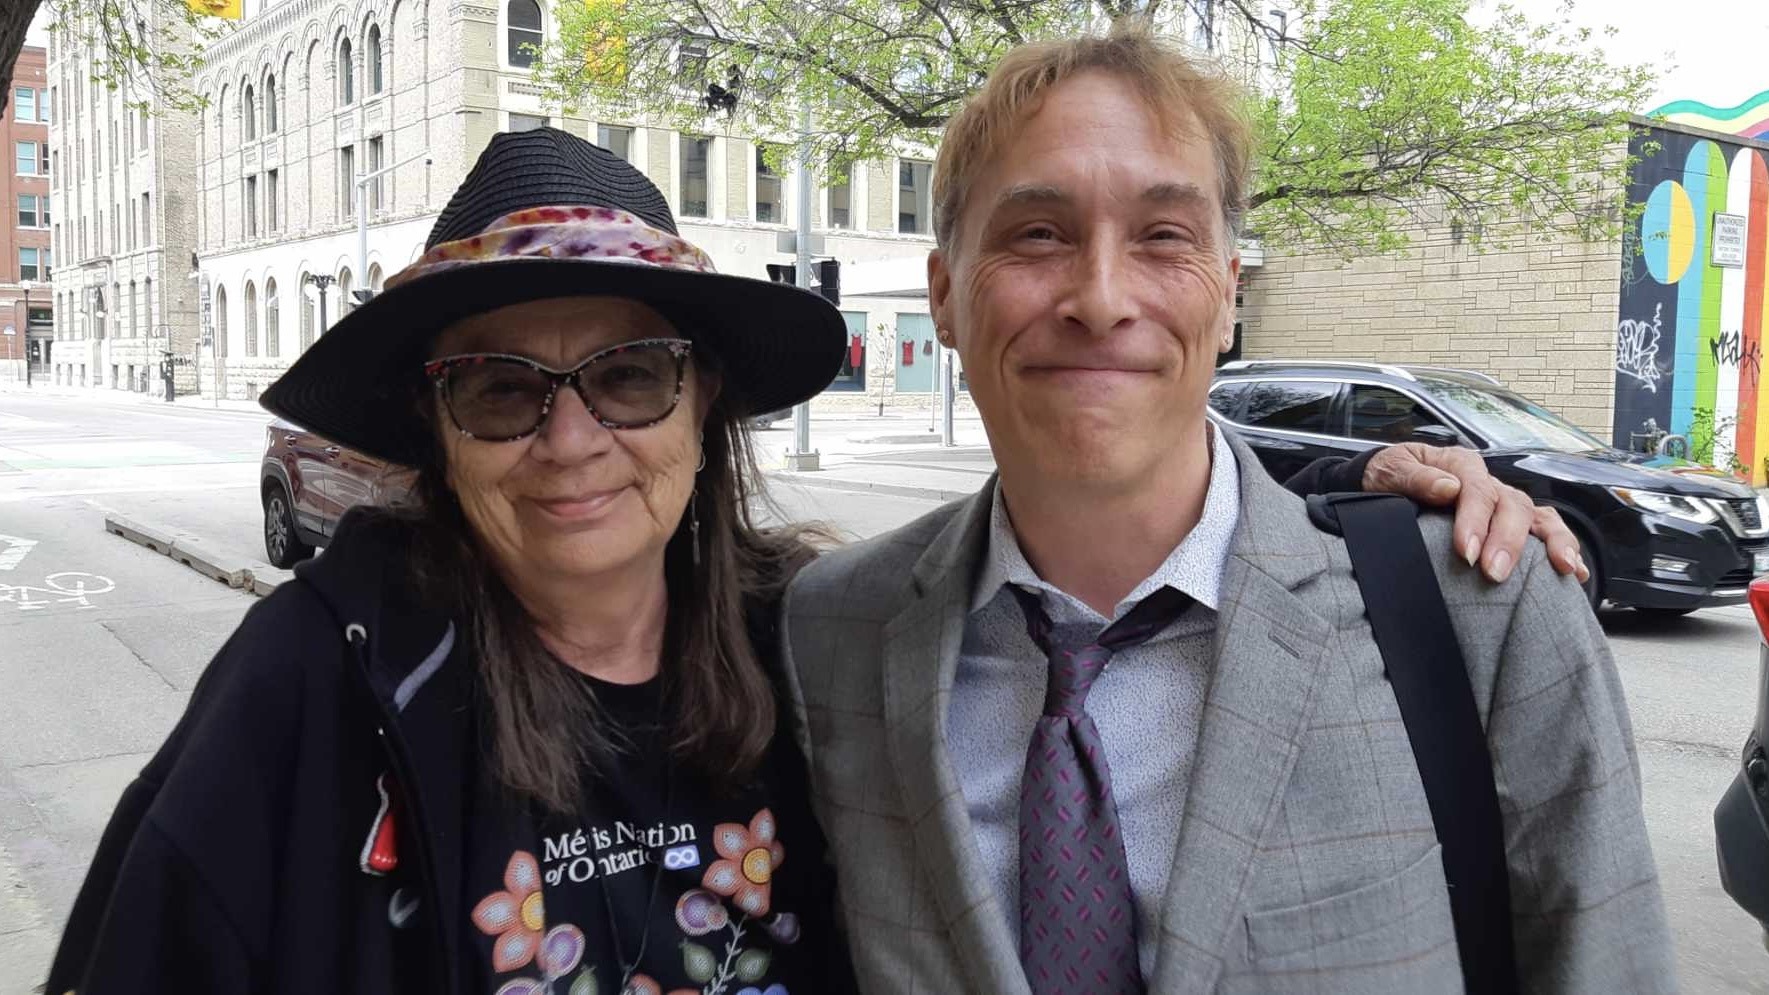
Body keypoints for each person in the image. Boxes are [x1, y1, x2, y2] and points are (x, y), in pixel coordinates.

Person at [46, 130, 1572, 993]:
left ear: (703, 409)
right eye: (504, 389)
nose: (570, 439)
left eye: (629, 375)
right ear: (440, 431)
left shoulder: (821, 638)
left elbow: (1075, 492)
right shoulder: (324, 677)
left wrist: (1360, 481)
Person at [777, 23, 1674, 995]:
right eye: (1037, 232)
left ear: (1226, 297)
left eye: (1163, 235)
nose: (1101, 296)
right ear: (944, 297)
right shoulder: (830, 631)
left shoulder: (1480, 606)